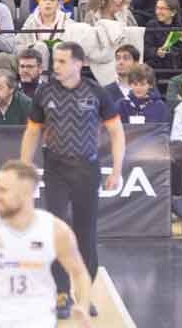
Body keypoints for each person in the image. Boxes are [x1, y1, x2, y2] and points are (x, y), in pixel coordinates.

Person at [20, 42, 124, 318]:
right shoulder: (45, 92)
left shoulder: (95, 92)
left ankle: (84, 294)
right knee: (55, 231)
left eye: (63, 61)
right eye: (56, 61)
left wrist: (117, 169)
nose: (57, 66)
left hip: (87, 170)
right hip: (56, 168)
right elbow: (32, 131)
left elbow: (116, 131)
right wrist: (25, 168)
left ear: (79, 64)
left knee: (85, 234)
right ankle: (61, 293)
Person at [0, 160, 94, 328]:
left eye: (3, 190)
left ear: (26, 193)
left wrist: (82, 305)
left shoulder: (56, 231)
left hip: (38, 322)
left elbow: (79, 274)